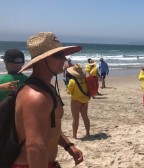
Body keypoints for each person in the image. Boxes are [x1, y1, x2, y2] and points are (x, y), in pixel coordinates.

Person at [14, 32, 83, 167]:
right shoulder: (36, 96)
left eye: (63, 55)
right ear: (41, 60)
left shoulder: (47, 88)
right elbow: (34, 147)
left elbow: (50, 125)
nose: (64, 59)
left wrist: (68, 145)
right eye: (58, 55)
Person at [66, 63, 90, 139]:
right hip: (85, 100)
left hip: (75, 100)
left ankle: (74, 135)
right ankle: (88, 133)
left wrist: (67, 87)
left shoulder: (72, 81)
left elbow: (68, 92)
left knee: (75, 119)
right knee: (85, 117)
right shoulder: (85, 80)